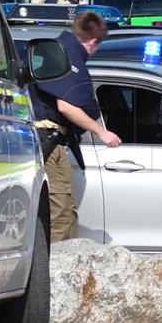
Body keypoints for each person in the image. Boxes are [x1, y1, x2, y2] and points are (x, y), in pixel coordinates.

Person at [31, 12, 122, 243]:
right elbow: (66, 106)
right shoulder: (68, 58)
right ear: (94, 42)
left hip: (55, 141)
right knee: (60, 215)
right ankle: (54, 276)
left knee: (66, 212)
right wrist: (102, 132)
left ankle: (62, 269)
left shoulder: (58, 51)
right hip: (48, 139)